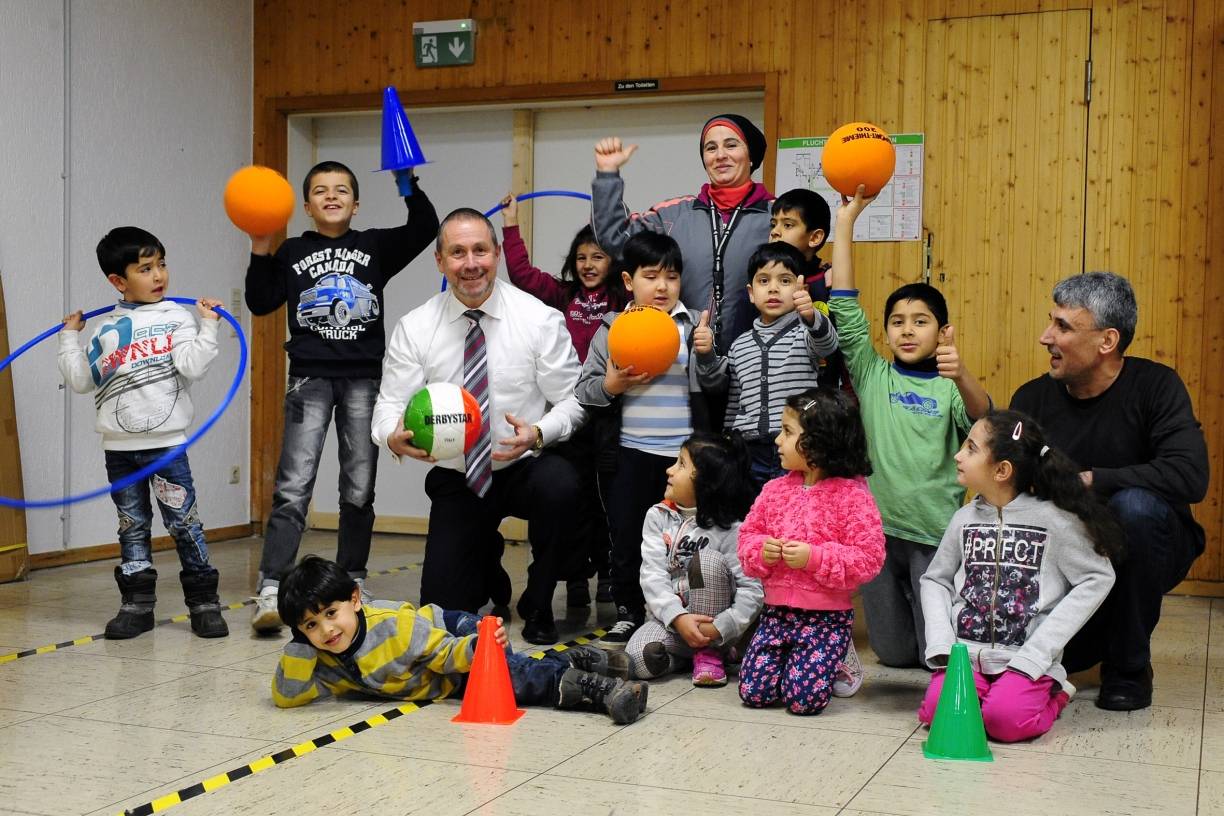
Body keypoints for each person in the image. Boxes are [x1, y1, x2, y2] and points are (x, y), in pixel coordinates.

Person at [371, 208, 586, 646]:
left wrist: (540, 432)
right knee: (444, 614)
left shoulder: (538, 318)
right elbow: (389, 403)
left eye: (480, 251)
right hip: (459, 476)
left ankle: (539, 602)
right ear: (440, 261)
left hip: (524, 465)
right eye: (457, 252)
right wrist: (391, 434)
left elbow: (574, 399)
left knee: (562, 485)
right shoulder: (415, 327)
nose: (471, 263)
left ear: (498, 254)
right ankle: (488, 571)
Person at [244, 161, 438, 633]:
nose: (331, 197)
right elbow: (260, 301)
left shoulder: (372, 247)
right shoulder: (292, 250)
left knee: (358, 489)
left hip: (363, 380)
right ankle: (273, 584)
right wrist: (261, 245)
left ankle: (352, 579)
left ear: (356, 202)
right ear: (307, 206)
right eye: (320, 191)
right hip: (309, 378)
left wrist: (406, 182)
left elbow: (425, 227)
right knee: (293, 488)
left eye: (342, 190)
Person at [1011, 271, 1209, 711]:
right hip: (1069, 553)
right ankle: (1101, 638)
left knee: (1134, 507)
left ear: (1107, 341)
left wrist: (1093, 480)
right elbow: (1008, 487)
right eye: (1050, 321)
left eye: (1063, 326)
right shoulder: (1032, 397)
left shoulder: (1157, 386)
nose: (1046, 337)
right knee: (1074, 655)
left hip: (1148, 542)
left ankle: (1130, 666)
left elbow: (1190, 476)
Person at [826, 187, 991, 669]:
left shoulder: (949, 386)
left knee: (932, 654)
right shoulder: (873, 374)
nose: (906, 329)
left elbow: (983, 419)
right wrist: (846, 224)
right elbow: (844, 305)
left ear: (942, 332)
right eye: (897, 321)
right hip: (875, 532)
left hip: (933, 535)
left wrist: (960, 373)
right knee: (895, 655)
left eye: (920, 321)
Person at [58, 227, 228, 640]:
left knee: (184, 523)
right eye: (145, 268)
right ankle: (136, 605)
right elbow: (82, 381)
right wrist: (68, 337)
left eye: (162, 265)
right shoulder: (103, 330)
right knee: (131, 526)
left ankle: (204, 603)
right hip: (119, 450)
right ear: (118, 281)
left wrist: (208, 326)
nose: (159, 276)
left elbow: (192, 366)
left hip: (167, 445)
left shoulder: (175, 317)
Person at [919, 411, 1118, 741]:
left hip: (1026, 660)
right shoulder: (963, 518)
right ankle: (991, 695)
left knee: (1004, 723)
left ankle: (1056, 696)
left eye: (970, 449)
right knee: (934, 713)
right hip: (965, 656)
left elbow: (1097, 576)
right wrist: (943, 643)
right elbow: (935, 579)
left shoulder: (1054, 520)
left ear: (1002, 470)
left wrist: (1041, 650)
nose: (957, 455)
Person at [271, 556, 647, 724]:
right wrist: (299, 645)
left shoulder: (394, 627)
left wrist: (480, 646)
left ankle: (600, 690)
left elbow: (444, 653)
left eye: (331, 614)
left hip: (454, 634)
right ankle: (578, 660)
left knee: (513, 678)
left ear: (354, 599)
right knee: (512, 673)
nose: (326, 631)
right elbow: (287, 696)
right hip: (439, 668)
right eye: (310, 625)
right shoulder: (321, 653)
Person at [575, 232, 710, 650]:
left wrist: (706, 356)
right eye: (651, 276)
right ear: (629, 281)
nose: (663, 286)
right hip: (630, 455)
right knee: (628, 535)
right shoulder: (613, 327)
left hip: (683, 460)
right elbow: (585, 390)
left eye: (672, 276)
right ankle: (629, 611)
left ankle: (685, 610)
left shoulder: (691, 325)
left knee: (689, 539)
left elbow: (717, 386)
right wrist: (612, 384)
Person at [500, 195, 623, 607]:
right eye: (582, 257)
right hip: (568, 416)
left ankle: (608, 571)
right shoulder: (562, 294)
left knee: (604, 499)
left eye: (599, 256)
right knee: (570, 499)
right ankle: (574, 578)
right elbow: (521, 274)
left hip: (609, 414)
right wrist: (511, 225)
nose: (589, 264)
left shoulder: (621, 299)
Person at [737, 388, 885, 713]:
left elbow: (869, 558)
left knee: (803, 701)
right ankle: (795, 662)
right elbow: (747, 539)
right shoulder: (773, 490)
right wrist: (762, 551)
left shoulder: (853, 496)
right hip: (776, 614)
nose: (777, 440)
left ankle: (839, 656)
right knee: (754, 692)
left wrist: (814, 558)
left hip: (826, 619)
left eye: (787, 432)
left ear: (820, 442)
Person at [591, 113, 773, 353]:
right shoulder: (673, 215)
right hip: (686, 363)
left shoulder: (777, 216)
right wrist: (607, 175)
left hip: (756, 363)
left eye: (731, 145)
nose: (720, 155)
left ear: (751, 156)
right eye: (711, 148)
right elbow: (615, 238)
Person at [695, 241, 839, 490]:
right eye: (764, 281)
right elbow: (733, 399)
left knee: (792, 517)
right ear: (751, 293)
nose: (773, 289)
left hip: (796, 448)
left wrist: (811, 315)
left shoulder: (806, 333)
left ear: (801, 288)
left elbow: (827, 343)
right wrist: (706, 355)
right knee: (753, 516)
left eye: (784, 281)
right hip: (749, 451)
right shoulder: (739, 344)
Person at [629, 431, 763, 685]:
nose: (669, 469)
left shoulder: (732, 529)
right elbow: (652, 575)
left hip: (715, 628)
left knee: (705, 560)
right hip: (673, 624)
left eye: (681, 463)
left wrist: (723, 627)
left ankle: (711, 652)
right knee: (638, 658)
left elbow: (752, 590)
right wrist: (677, 618)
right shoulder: (657, 516)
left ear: (707, 482)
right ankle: (685, 658)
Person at [768, 188, 851, 391]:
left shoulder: (828, 280)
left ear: (814, 238)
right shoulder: (765, 283)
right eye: (773, 224)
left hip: (824, 390)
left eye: (787, 225)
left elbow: (847, 342)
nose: (775, 231)